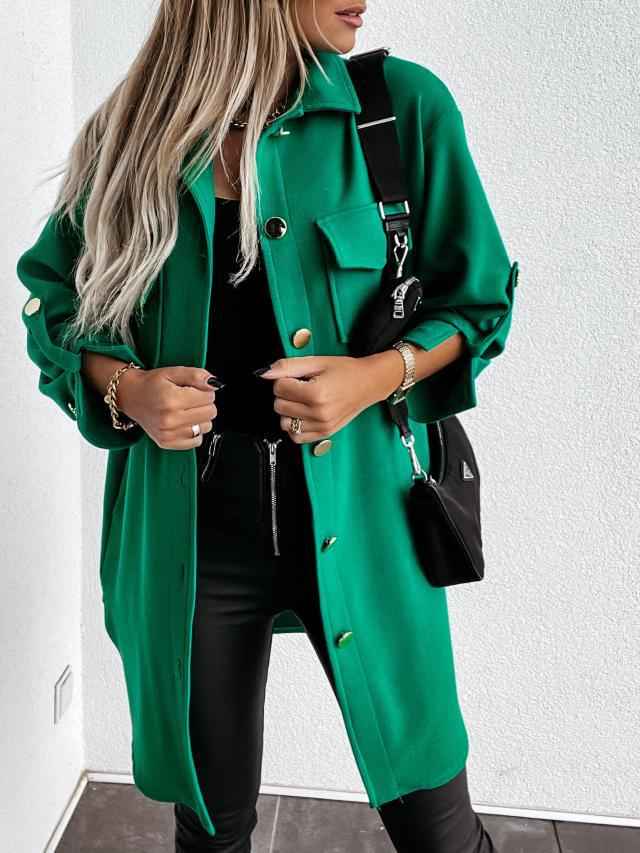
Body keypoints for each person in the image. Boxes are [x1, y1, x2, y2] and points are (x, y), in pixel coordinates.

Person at [17, 2, 517, 851]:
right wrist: (127, 388)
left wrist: (372, 377)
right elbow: (52, 302)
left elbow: (477, 301)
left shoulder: (398, 108)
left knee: (438, 828)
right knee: (211, 827)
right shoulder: (131, 135)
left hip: (366, 519)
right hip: (192, 532)